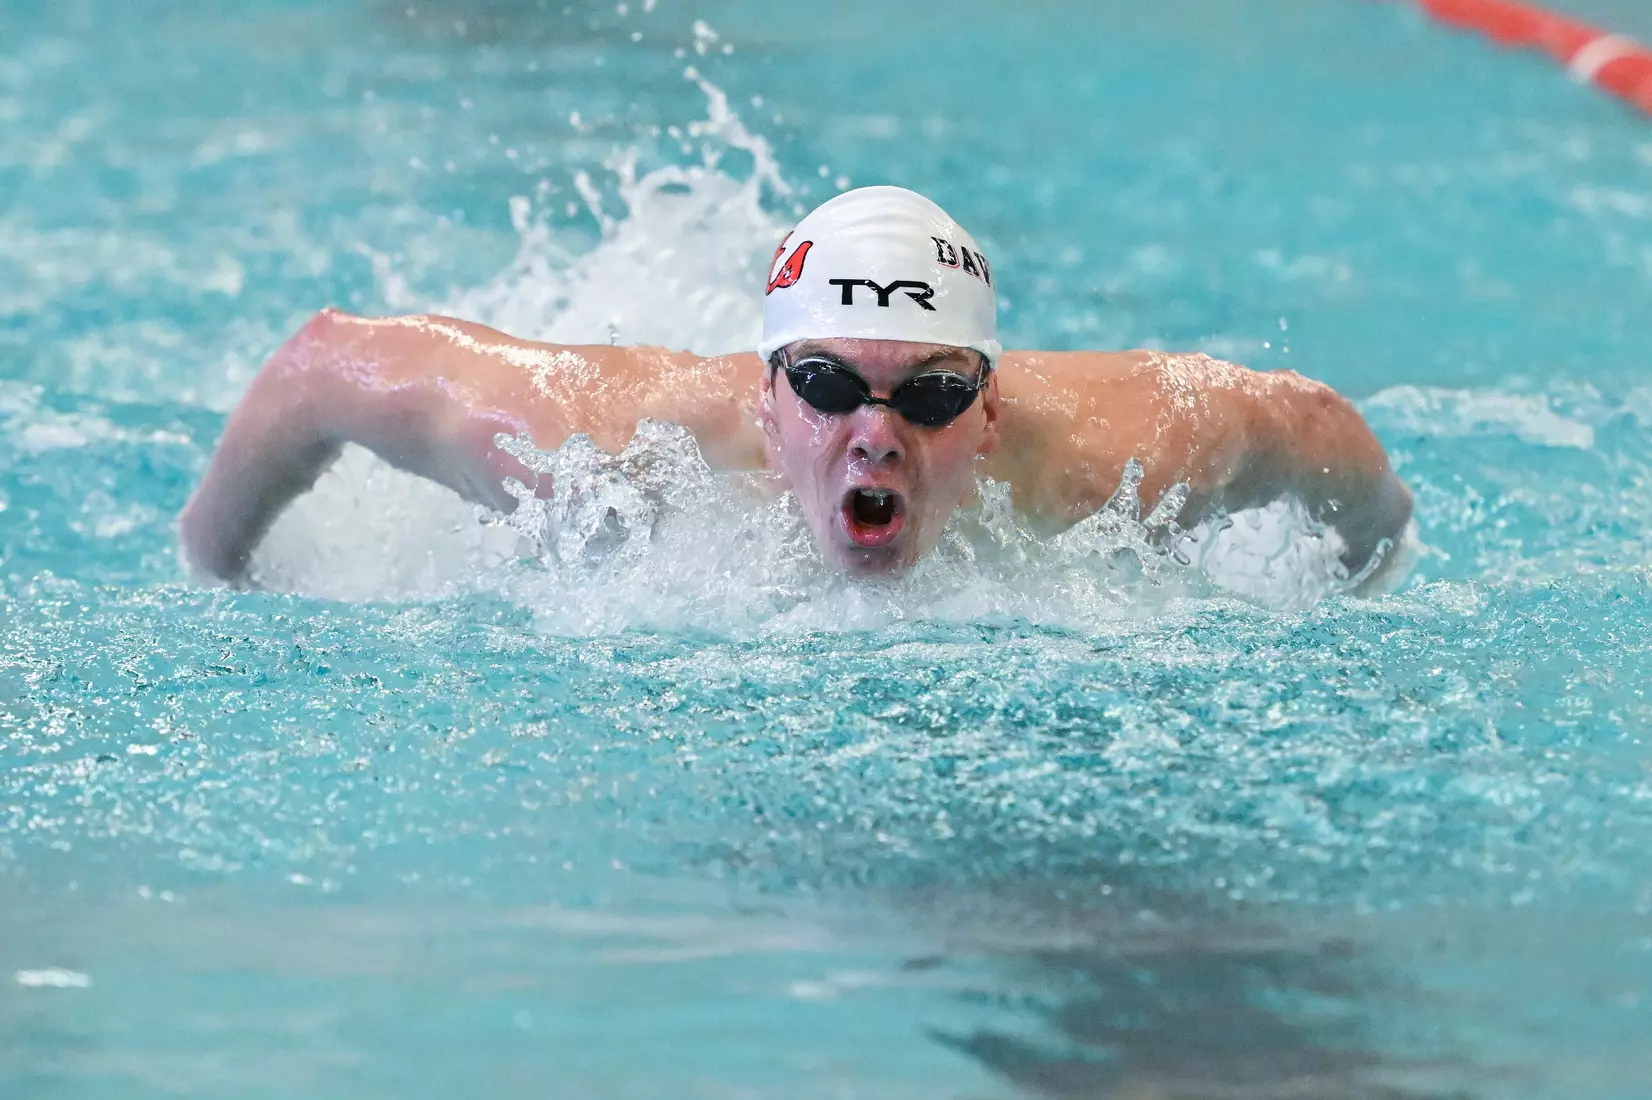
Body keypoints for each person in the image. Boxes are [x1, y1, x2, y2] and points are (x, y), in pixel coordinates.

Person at [179, 186, 1412, 586]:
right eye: (826, 383)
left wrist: (1363, 582)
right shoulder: (601, 449)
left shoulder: (1109, 461)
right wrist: (211, 580)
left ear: (988, 407)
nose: (873, 432)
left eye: (926, 396)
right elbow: (326, 361)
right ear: (768, 397)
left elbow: (1311, 426)